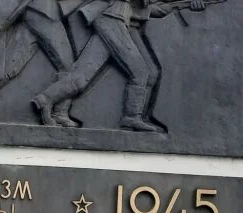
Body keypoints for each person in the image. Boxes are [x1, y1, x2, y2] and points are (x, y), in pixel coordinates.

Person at [32, 0, 207, 131]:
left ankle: (46, 100)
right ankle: (131, 116)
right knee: (140, 72)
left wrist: (183, 4)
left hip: (117, 20)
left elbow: (150, 10)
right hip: (110, 18)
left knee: (81, 77)